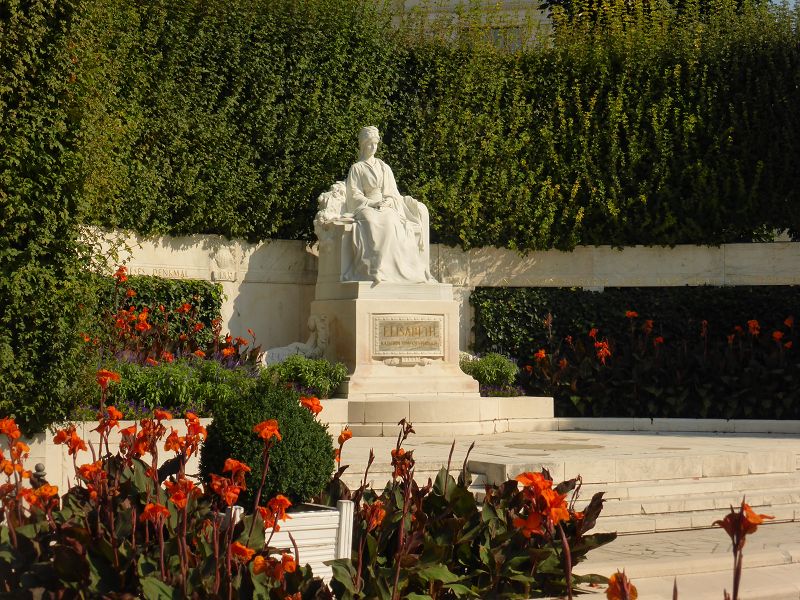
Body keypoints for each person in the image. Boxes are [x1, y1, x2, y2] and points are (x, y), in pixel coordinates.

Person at [344, 126, 434, 283]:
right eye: (370, 144)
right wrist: (372, 203)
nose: (373, 147)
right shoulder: (357, 168)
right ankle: (374, 268)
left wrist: (388, 201)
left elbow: (392, 192)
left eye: (375, 143)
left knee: (392, 222)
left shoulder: (383, 167)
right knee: (370, 221)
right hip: (366, 206)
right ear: (363, 145)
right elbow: (354, 194)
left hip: (385, 206)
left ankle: (392, 270)